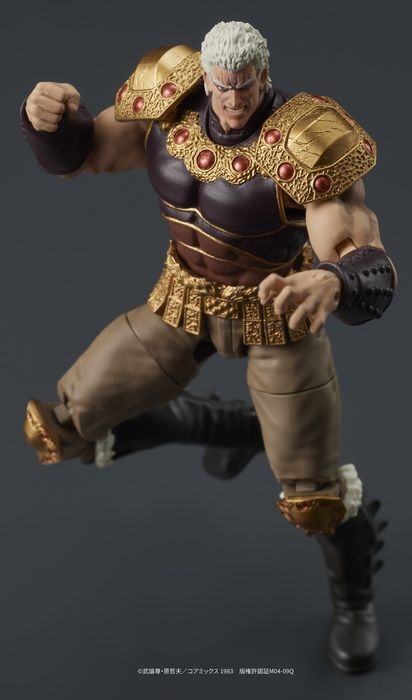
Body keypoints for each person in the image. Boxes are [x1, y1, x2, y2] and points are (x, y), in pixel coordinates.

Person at [21, 21, 395, 673]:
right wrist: (50, 124)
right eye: (222, 86)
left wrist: (335, 280)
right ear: (206, 77)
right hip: (183, 299)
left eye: (243, 86)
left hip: (278, 312)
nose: (232, 99)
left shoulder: (304, 140)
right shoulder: (170, 102)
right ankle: (232, 427)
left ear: (263, 76)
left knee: (313, 493)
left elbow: (357, 243)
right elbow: (90, 153)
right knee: (65, 426)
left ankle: (354, 595)